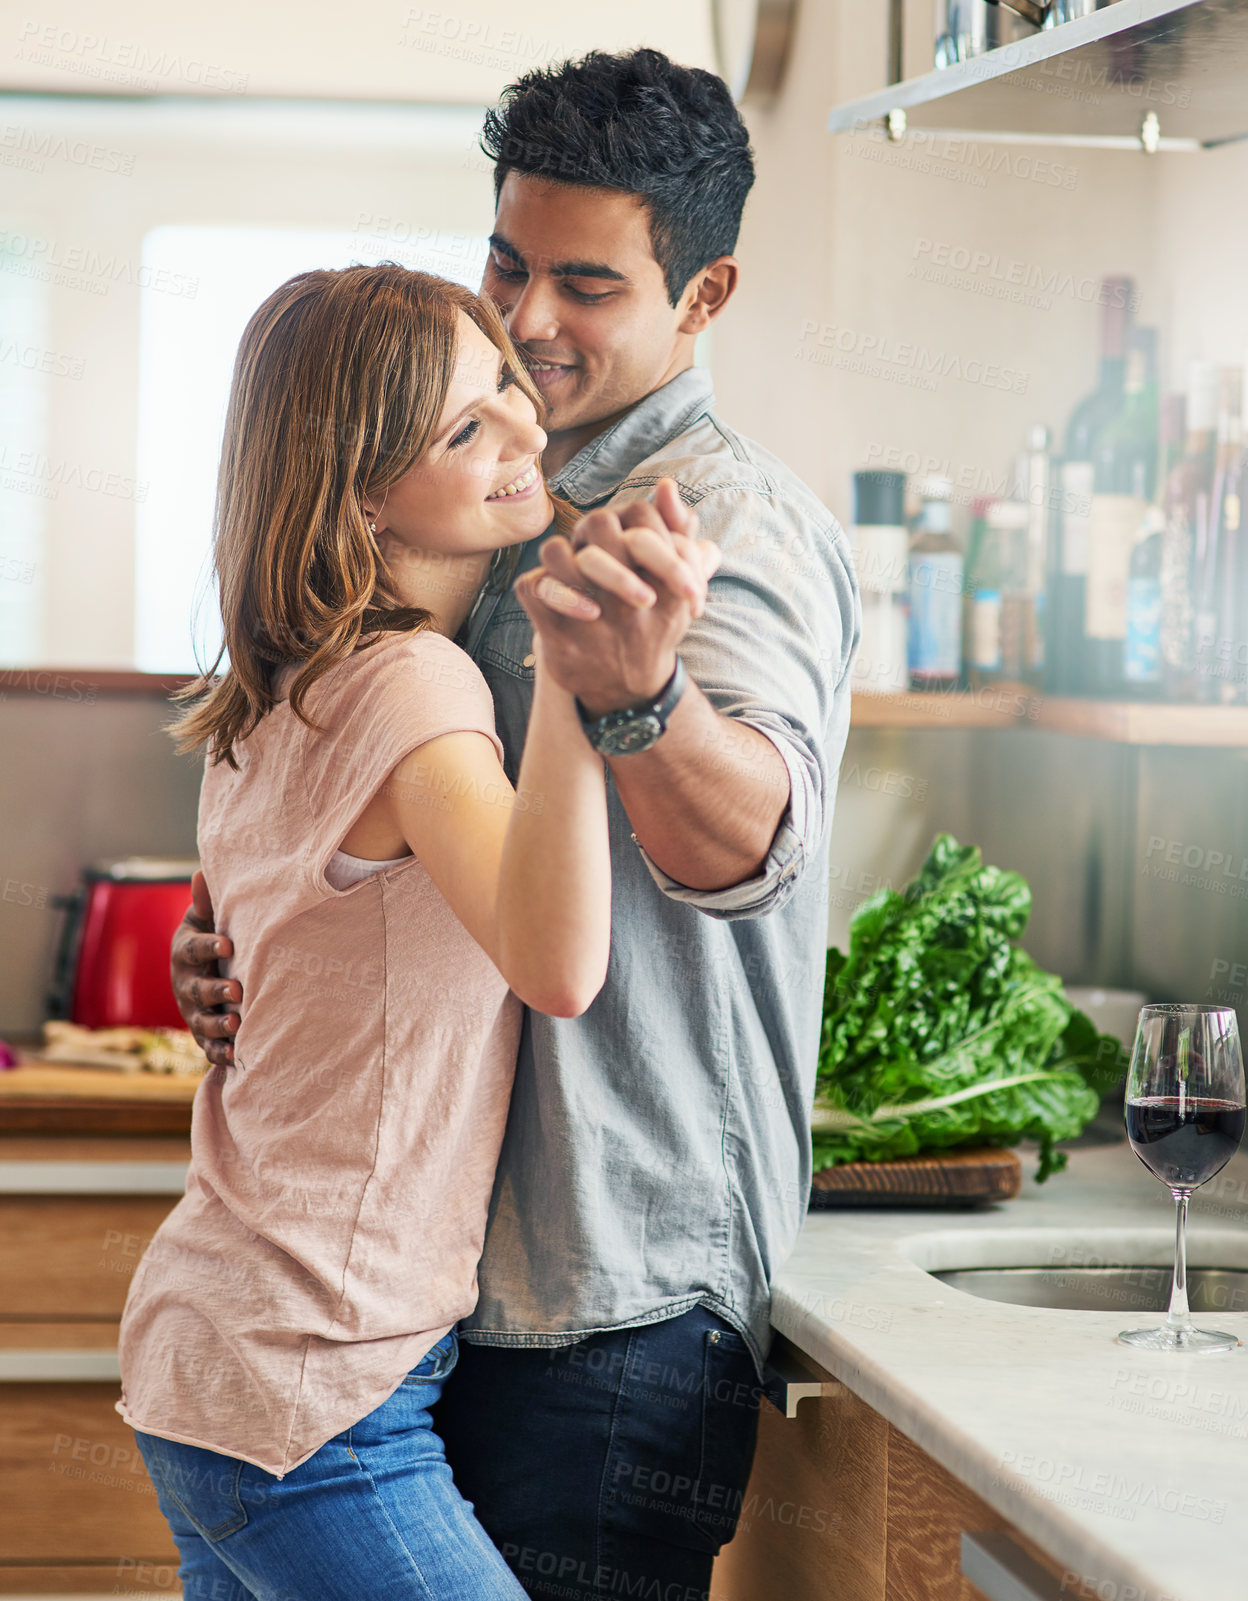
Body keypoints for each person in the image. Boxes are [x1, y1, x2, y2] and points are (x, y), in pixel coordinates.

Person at [172, 49, 860, 1600]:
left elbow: (749, 842)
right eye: (507, 263)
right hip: (407, 1307)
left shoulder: (726, 526)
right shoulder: (469, 504)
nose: (530, 320)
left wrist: (628, 702)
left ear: (705, 296)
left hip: (600, 1304)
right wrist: (246, 950)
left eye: (589, 285)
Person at [118, 262, 716, 1600]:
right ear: (363, 495)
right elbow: (556, 964)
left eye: (502, 379)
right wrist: (580, 675)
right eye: (466, 429)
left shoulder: (274, 688)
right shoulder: (418, 684)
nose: (521, 428)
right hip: (312, 1393)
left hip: (215, 1356)